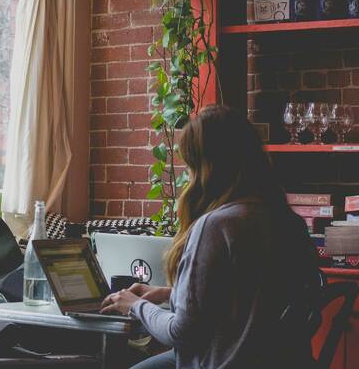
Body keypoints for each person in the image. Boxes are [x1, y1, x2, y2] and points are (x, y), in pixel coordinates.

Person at [100, 105, 321, 369]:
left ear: (206, 167)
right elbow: (247, 301)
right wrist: (166, 294)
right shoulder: (288, 221)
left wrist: (134, 305)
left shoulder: (217, 226)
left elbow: (181, 333)